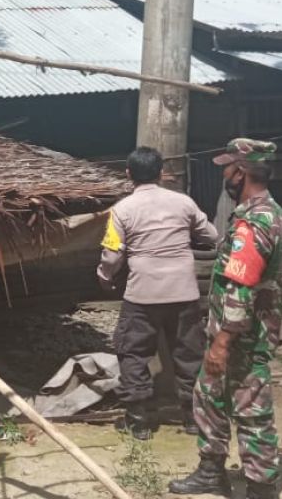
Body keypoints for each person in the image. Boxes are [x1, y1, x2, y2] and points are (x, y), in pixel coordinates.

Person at [170, 139, 282, 499]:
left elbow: (240, 286)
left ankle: (260, 486)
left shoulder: (256, 221)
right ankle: (211, 471)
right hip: (233, 331)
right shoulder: (261, 213)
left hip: (241, 336)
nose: (223, 173)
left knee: (251, 409)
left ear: (241, 172)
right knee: (209, 397)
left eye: (227, 167)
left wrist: (222, 343)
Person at [97, 146, 218, 440]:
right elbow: (212, 236)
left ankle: (139, 420)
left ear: (128, 175)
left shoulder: (122, 210)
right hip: (183, 292)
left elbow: (112, 257)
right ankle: (192, 418)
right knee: (189, 354)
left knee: (133, 353)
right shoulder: (184, 203)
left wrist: (104, 276)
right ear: (162, 173)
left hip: (142, 294)